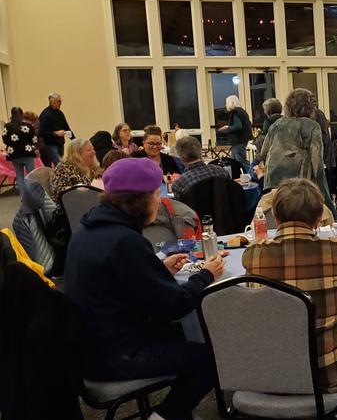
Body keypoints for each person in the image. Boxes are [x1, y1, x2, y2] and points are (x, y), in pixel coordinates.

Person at [64, 157, 225, 420]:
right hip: (116, 355)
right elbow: (175, 305)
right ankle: (165, 415)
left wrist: (158, 270)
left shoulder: (88, 229)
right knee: (214, 355)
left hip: (88, 348)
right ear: (142, 200)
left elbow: (120, 283)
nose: (160, 201)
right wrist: (206, 274)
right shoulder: (125, 241)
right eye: (157, 194)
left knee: (184, 336)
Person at [242, 178, 337, 395]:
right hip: (333, 374)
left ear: (276, 218)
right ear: (319, 220)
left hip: (273, 376)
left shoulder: (255, 255)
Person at [258, 88, 336, 216]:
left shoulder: (276, 125)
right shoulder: (312, 126)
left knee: (279, 214)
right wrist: (324, 194)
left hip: (274, 180)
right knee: (302, 214)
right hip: (300, 180)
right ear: (310, 107)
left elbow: (264, 152)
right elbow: (316, 161)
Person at [49, 138, 100, 204]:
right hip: (72, 205)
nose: (94, 152)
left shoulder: (92, 167)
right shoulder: (64, 167)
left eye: (93, 149)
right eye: (89, 150)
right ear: (77, 153)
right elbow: (59, 192)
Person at [3, 106, 39, 190]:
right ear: (22, 115)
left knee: (19, 175)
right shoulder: (28, 126)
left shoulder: (7, 126)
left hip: (14, 154)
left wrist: (11, 145)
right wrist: (33, 147)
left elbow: (5, 139)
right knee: (32, 175)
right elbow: (34, 139)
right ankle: (32, 193)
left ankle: (23, 195)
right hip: (27, 153)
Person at [217, 95, 252, 168]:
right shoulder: (242, 111)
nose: (226, 105)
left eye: (226, 103)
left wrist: (227, 127)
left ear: (230, 103)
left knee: (241, 161)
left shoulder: (235, 112)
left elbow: (238, 126)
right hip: (242, 139)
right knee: (234, 161)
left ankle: (250, 172)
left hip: (238, 140)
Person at [38, 92, 71, 166]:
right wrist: (55, 133)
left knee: (59, 165)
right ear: (52, 101)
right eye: (58, 101)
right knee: (60, 164)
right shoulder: (45, 114)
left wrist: (74, 141)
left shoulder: (60, 113)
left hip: (60, 144)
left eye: (61, 101)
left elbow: (66, 127)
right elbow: (41, 132)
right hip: (50, 145)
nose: (60, 103)